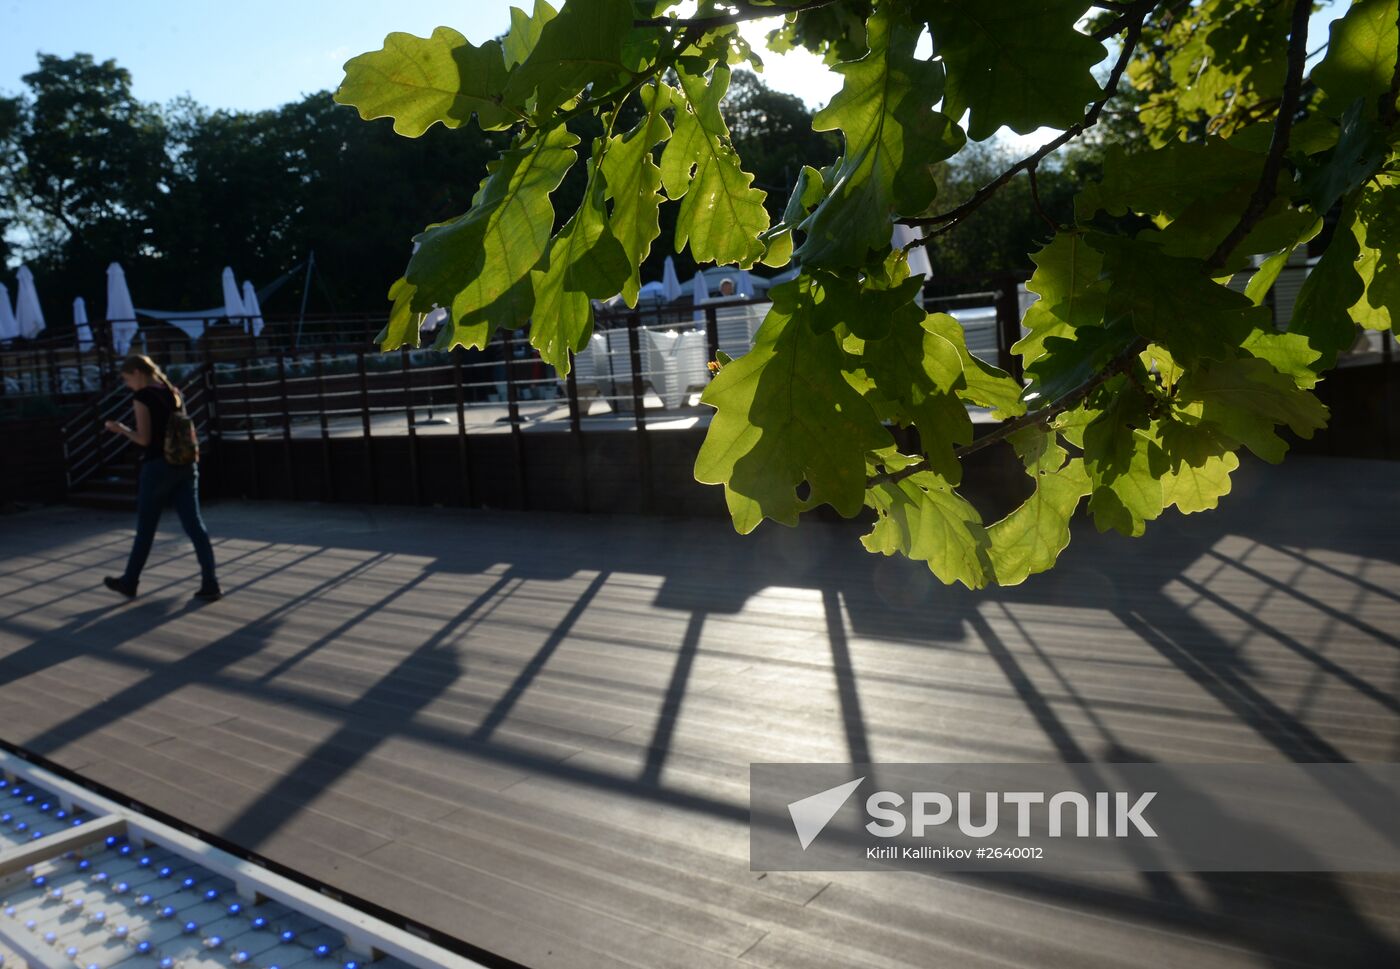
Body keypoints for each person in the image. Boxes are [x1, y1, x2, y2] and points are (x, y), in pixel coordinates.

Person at [102, 354, 222, 601]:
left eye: (127, 379)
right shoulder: (173, 392)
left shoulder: (143, 396)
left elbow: (145, 440)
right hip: (185, 464)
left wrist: (121, 429)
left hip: (157, 467)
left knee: (146, 530)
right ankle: (211, 582)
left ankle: (130, 581)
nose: (127, 385)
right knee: (195, 526)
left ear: (137, 373)